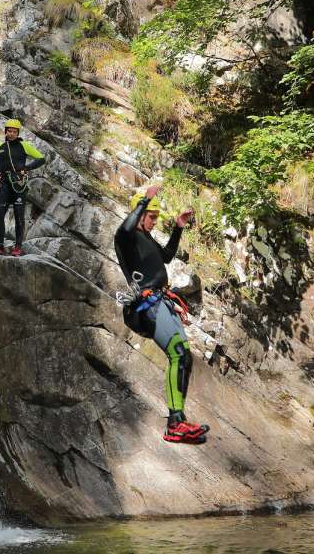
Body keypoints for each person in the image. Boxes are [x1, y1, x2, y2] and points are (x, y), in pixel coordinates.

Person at [114, 183, 206, 444]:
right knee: (178, 353)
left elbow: (165, 257)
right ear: (140, 214)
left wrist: (178, 227)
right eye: (152, 217)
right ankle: (175, 423)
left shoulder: (146, 237)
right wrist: (144, 199)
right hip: (148, 305)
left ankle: (178, 420)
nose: (155, 222)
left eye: (155, 217)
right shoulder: (126, 238)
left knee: (184, 357)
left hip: (161, 301)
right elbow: (124, 228)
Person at [0, 119, 45, 256]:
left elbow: (41, 159)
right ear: (5, 132)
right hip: (3, 184)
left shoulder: (24, 145)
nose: (11, 134)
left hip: (18, 183)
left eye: (14, 131)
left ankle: (18, 246)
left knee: (19, 216)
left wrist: (27, 168)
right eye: (9, 131)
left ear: (18, 133)